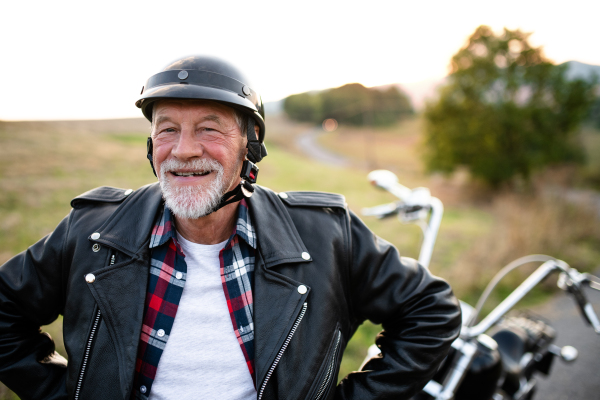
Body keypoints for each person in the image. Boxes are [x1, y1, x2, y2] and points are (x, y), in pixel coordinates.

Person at [0, 55, 461, 400]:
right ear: (150, 144)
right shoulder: (92, 231)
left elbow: (431, 310)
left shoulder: (324, 236)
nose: (183, 150)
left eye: (209, 129)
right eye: (167, 129)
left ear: (249, 147)